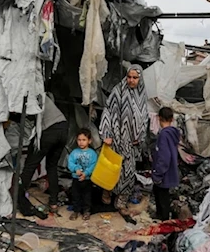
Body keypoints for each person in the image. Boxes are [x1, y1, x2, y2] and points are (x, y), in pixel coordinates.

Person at [99, 64, 148, 215]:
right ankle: (107, 192)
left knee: (128, 172)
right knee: (112, 169)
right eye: (129, 77)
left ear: (140, 79)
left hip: (131, 143)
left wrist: (139, 136)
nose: (131, 80)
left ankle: (120, 202)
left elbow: (144, 117)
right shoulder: (118, 91)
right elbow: (108, 111)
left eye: (135, 77)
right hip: (115, 139)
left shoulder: (142, 94)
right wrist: (106, 133)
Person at [19, 94, 68, 216]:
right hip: (63, 128)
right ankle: (53, 203)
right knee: (52, 166)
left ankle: (18, 198)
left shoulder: (31, 96)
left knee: (30, 164)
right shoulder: (43, 95)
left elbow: (28, 117)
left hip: (50, 130)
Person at [151, 107, 180, 221]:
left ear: (159, 118)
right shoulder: (173, 134)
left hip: (164, 173)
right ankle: (162, 216)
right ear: (172, 119)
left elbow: (164, 156)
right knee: (160, 193)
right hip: (170, 170)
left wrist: (158, 173)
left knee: (162, 196)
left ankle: (164, 220)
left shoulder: (164, 135)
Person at [67, 128, 98, 221]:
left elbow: (93, 165)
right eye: (79, 140)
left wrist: (86, 173)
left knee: (87, 196)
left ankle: (86, 211)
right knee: (75, 196)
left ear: (89, 141)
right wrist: (75, 169)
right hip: (76, 179)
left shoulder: (92, 153)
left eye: (84, 140)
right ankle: (76, 211)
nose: (81, 142)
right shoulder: (74, 152)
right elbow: (70, 163)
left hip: (87, 179)